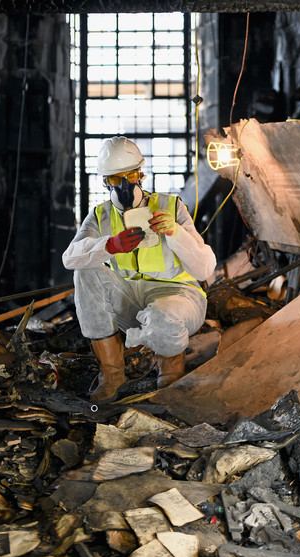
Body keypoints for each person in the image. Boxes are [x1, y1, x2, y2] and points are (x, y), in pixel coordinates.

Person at [62, 136, 216, 403]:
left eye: (130, 175)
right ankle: (112, 376)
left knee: (162, 314)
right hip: (131, 301)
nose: (123, 185)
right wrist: (109, 245)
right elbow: (70, 258)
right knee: (85, 269)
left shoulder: (171, 206)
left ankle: (171, 376)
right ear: (104, 181)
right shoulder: (101, 215)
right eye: (114, 179)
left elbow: (204, 268)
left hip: (179, 299)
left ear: (141, 175)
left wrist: (175, 231)